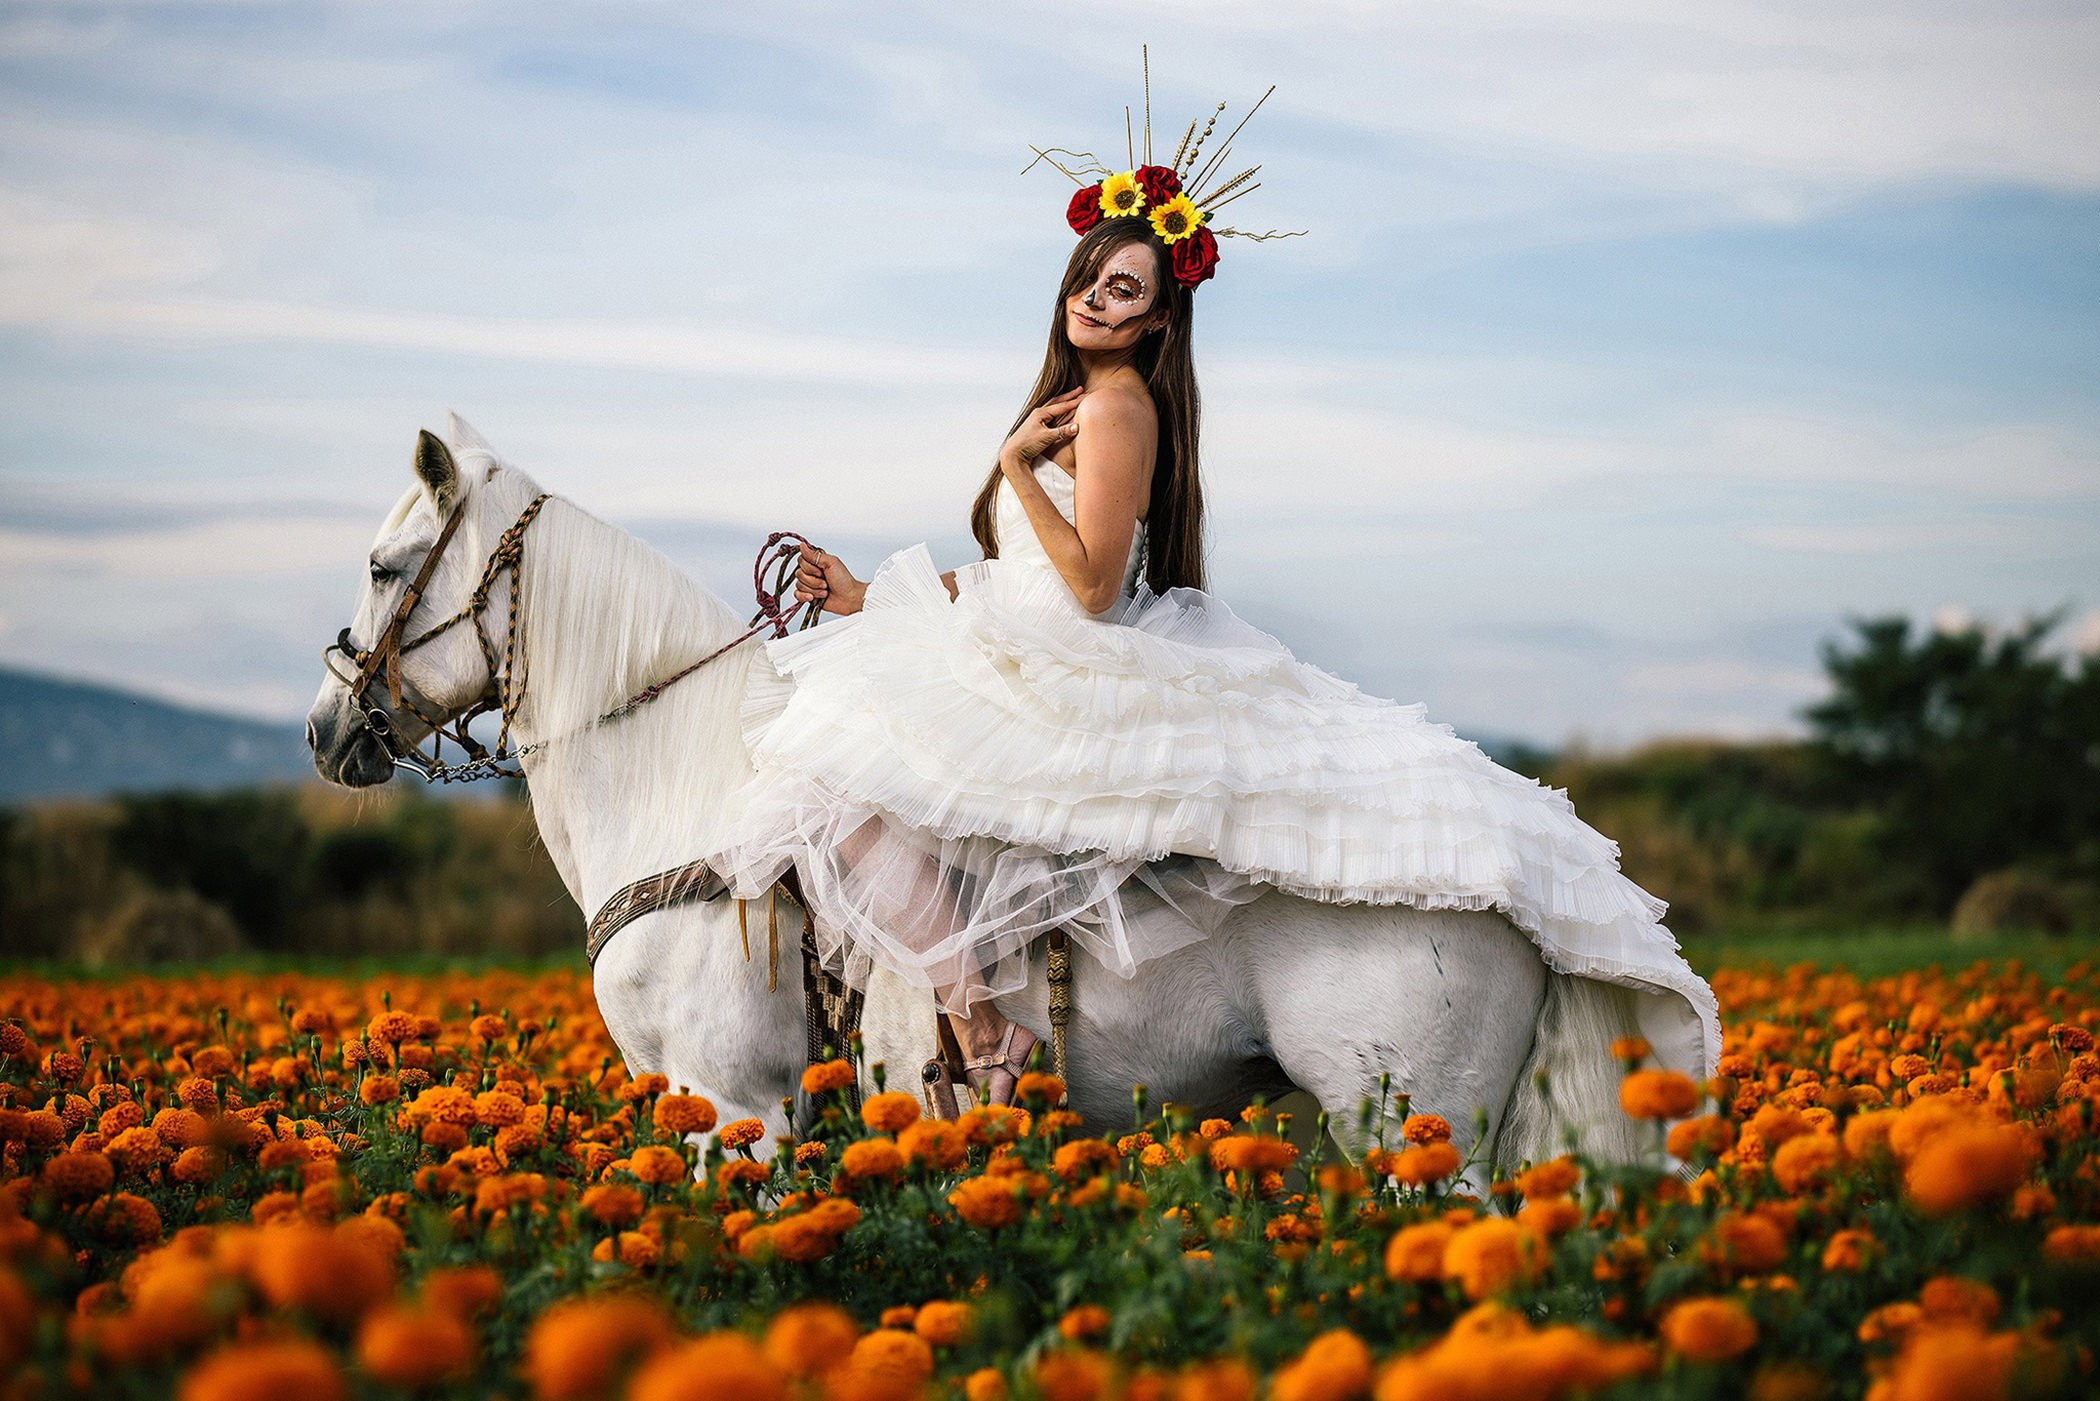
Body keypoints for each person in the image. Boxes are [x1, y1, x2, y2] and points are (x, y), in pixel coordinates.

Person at [707, 117, 1720, 1107]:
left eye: (1125, 290)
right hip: (1019, 633)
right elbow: (1019, 575)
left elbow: (1092, 586)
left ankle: (979, 1024)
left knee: (836, 794)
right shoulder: (1083, 403)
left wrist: (1017, 468)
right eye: (1089, 278)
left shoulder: (1112, 408)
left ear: (1157, 319)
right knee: (853, 771)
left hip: (1065, 654)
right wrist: (865, 598)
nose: (1097, 301)